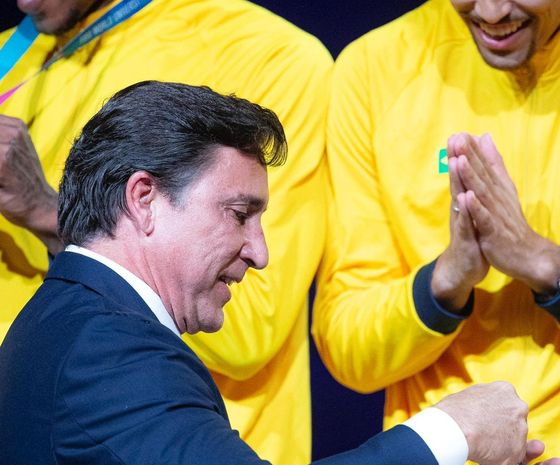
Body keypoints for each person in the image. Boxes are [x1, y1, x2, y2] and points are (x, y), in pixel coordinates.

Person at [0, 80, 560, 465]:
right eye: (239, 214)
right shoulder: (110, 349)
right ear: (144, 199)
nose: (260, 252)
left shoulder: (66, 322)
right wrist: (450, 433)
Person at [314, 0, 560, 463]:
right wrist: (446, 281)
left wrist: (551, 269)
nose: (492, 12)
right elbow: (350, 351)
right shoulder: (373, 70)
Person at [0, 1, 331, 463]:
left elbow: (253, 328)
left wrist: (46, 212)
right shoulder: (11, 53)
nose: (24, 3)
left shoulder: (269, 51)